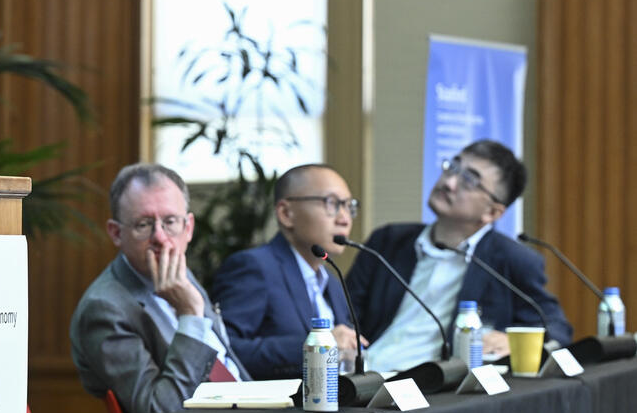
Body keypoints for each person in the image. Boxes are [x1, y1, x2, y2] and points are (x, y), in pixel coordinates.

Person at [345, 139, 571, 373]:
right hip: (363, 378)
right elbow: (345, 314)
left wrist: (511, 341)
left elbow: (556, 329)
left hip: (435, 389)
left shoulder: (511, 260)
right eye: (453, 167)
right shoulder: (387, 241)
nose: (449, 182)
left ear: (492, 212)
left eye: (469, 180)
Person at [70, 163, 247, 413]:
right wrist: (190, 317)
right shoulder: (104, 308)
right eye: (144, 224)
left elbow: (228, 364)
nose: (161, 238)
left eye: (170, 222)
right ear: (116, 233)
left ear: (188, 228)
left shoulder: (178, 271)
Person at [213, 163, 364, 379]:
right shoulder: (254, 267)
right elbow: (224, 350)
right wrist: (317, 346)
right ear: (286, 213)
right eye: (331, 203)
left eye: (349, 206)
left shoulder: (332, 281)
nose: (344, 218)